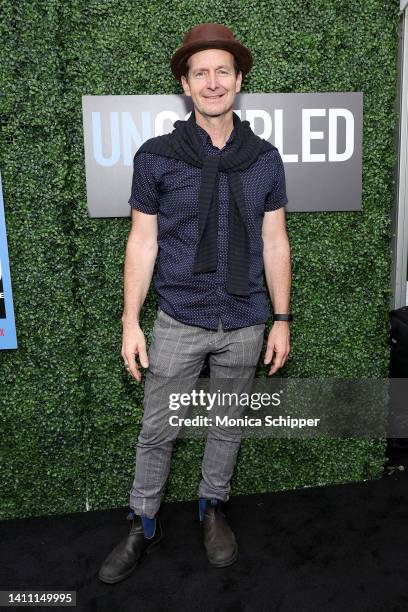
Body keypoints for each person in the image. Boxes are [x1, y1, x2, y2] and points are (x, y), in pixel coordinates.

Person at [98, 22, 292, 584]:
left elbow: (275, 240)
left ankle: (213, 507)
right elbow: (143, 240)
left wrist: (281, 318)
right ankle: (143, 521)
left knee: (226, 424)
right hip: (179, 316)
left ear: (239, 79)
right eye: (201, 72)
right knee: (158, 430)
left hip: (247, 319)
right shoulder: (156, 156)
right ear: (185, 84)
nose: (213, 82)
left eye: (223, 71)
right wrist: (130, 320)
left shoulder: (266, 158)